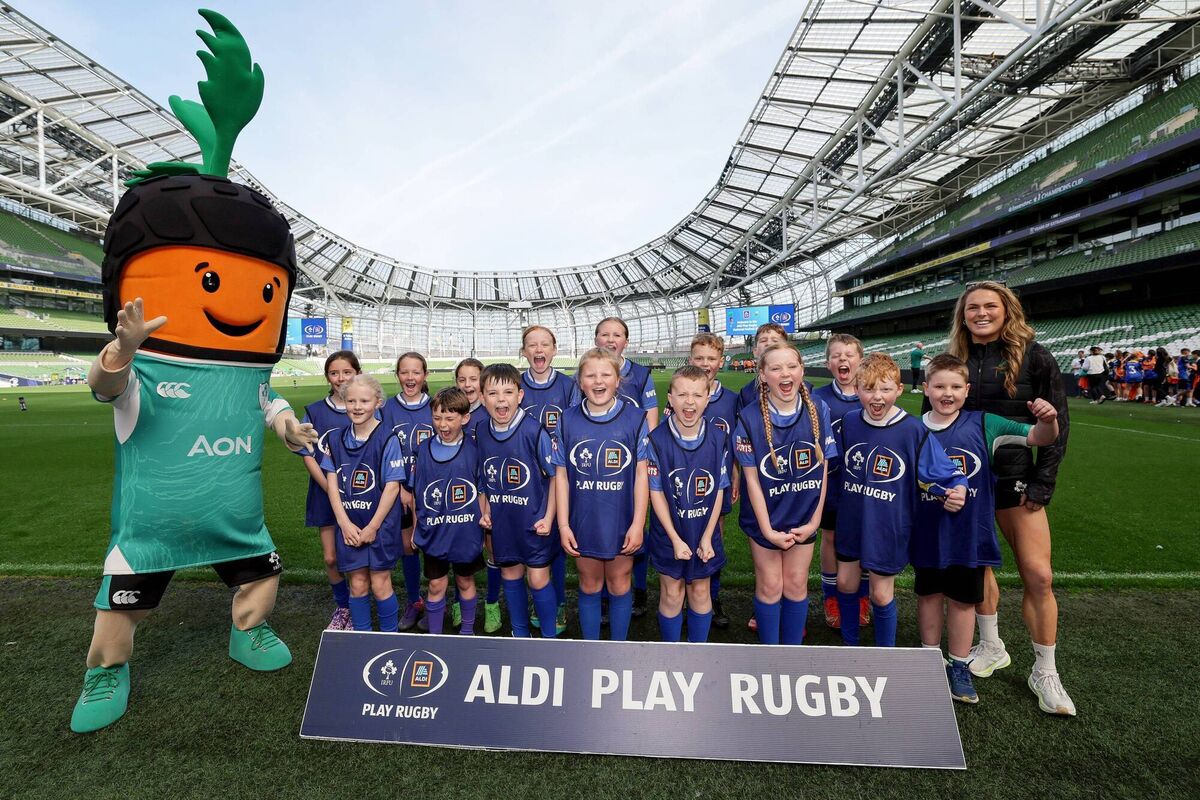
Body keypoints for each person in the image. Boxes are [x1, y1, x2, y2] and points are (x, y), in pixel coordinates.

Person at [943, 280, 1075, 716]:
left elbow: (1059, 423)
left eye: (990, 306)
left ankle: (1045, 670)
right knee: (977, 568)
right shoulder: (955, 359)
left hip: (1017, 482)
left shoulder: (1035, 356)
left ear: (1007, 310)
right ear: (963, 314)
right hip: (967, 484)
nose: (981, 313)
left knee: (1038, 575)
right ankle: (991, 643)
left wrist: (1043, 482)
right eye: (973, 307)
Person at [916, 354, 1059, 704]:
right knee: (929, 596)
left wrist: (1049, 421)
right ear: (925, 389)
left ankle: (959, 665)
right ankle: (926, 658)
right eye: (939, 386)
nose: (946, 393)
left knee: (964, 601)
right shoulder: (912, 428)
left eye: (954, 387)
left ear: (966, 390)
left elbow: (1039, 438)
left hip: (969, 535)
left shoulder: (986, 424)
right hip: (928, 534)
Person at [836, 353, 967, 648]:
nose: (877, 397)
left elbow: (944, 471)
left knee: (880, 594)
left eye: (884, 389)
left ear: (899, 389)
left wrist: (957, 486)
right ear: (857, 390)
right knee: (845, 583)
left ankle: (886, 655)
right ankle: (848, 645)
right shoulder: (848, 422)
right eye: (868, 389)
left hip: (888, 525)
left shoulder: (912, 430)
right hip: (852, 520)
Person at [734, 344, 835, 645]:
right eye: (775, 368)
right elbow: (752, 481)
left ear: (802, 371)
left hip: (803, 516)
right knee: (770, 585)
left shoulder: (819, 409)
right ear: (763, 375)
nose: (784, 373)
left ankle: (791, 654)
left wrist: (815, 521)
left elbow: (823, 470)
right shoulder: (748, 417)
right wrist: (766, 530)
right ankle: (770, 655)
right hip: (766, 517)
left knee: (795, 584)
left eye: (791, 366)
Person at [552, 348, 650, 641]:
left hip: (621, 518)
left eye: (606, 374)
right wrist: (564, 525)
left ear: (618, 380)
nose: (598, 381)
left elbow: (642, 474)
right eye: (590, 375)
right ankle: (590, 650)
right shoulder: (567, 420)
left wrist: (637, 523)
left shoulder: (635, 418)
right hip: (583, 519)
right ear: (580, 382)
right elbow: (561, 476)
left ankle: (617, 650)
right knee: (589, 583)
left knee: (620, 583)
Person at [475, 364, 560, 638]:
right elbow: (484, 478)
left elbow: (555, 478)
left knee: (537, 579)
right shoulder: (481, 431)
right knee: (510, 576)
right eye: (493, 393)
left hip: (534, 521)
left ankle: (548, 636)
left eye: (508, 392)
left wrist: (548, 517)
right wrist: (485, 511)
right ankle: (520, 634)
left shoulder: (535, 431)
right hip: (503, 522)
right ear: (481, 397)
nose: (501, 399)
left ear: (520, 395)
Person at [648, 366, 729, 643]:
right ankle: (671, 655)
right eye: (682, 394)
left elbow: (718, 489)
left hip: (703, 530)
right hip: (669, 532)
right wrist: (674, 538)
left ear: (708, 398)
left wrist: (708, 536)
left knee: (700, 591)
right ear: (669, 398)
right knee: (672, 592)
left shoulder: (718, 438)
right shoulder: (656, 440)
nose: (689, 401)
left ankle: (698, 655)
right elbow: (656, 492)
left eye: (697, 394)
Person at [321, 375, 406, 633]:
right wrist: (344, 523)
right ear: (343, 402)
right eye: (351, 401)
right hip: (350, 525)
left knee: (380, 583)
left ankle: (389, 639)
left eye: (364, 401)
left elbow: (392, 487)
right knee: (357, 583)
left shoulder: (388, 439)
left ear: (378, 402)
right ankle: (361, 638)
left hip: (379, 524)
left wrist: (373, 527)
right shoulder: (335, 440)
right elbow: (332, 486)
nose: (357, 407)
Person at [671, 332, 739, 628]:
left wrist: (735, 473)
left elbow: (737, 441)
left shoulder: (731, 400)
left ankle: (712, 595)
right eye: (699, 358)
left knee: (713, 539)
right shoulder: (682, 397)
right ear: (690, 360)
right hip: (682, 487)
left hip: (716, 486)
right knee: (683, 537)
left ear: (720, 362)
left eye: (711, 359)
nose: (705, 364)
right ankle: (686, 598)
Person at [408, 387, 489, 635]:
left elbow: (482, 491)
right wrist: (415, 528)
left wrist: (484, 523)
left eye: (450, 418)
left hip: (466, 531)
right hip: (434, 531)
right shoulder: (423, 450)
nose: (442, 424)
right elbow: (416, 494)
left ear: (465, 418)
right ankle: (435, 636)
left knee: (465, 581)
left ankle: (466, 631)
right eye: (437, 417)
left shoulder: (475, 450)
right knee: (435, 584)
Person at [518, 324, 579, 633]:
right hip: (525, 480)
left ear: (554, 350)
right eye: (532, 345)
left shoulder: (569, 386)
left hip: (560, 476)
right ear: (524, 351)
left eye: (544, 344)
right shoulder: (514, 386)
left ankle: (556, 603)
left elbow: (575, 428)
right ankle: (538, 597)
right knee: (533, 537)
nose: (538, 350)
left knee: (556, 538)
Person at [594, 316, 657, 618]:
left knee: (636, 529)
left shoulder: (641, 375)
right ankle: (606, 594)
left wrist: (644, 459)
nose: (610, 339)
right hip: (600, 470)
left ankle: (639, 590)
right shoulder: (590, 373)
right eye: (604, 334)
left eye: (616, 334)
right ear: (596, 340)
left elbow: (651, 420)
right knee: (603, 530)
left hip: (633, 468)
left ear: (626, 341)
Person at [734, 321, 792, 634]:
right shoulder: (745, 393)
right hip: (760, 479)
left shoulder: (800, 390)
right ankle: (766, 606)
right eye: (763, 340)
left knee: (793, 558)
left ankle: (788, 607)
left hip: (793, 483)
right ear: (756, 351)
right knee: (763, 552)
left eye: (775, 339)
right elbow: (741, 441)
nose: (768, 343)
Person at [297, 350, 361, 630]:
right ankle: (343, 606)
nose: (341, 378)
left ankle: (362, 603)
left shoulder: (365, 407)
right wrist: (331, 490)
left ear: (357, 373)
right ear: (327, 376)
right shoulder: (314, 411)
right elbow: (308, 454)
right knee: (331, 556)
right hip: (325, 493)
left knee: (361, 555)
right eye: (334, 373)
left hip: (362, 494)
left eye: (347, 372)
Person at [813, 333, 870, 631]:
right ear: (827, 363)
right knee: (831, 538)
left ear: (860, 360)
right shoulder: (817, 398)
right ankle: (831, 595)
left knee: (864, 539)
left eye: (849, 354)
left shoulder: (872, 395)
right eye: (836, 355)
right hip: (832, 485)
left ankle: (862, 594)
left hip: (866, 486)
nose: (843, 360)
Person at [382, 352, 435, 630]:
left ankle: (438, 603)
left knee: (436, 549)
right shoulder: (387, 408)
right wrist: (402, 487)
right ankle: (415, 601)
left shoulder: (436, 405)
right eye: (405, 372)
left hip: (434, 491)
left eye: (416, 372)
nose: (410, 378)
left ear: (425, 375)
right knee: (408, 546)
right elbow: (382, 450)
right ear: (398, 375)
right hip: (400, 491)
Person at [454, 357, 502, 632]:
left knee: (493, 549)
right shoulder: (450, 410)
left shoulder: (491, 413)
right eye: (462, 379)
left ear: (482, 383)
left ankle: (492, 603)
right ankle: (461, 599)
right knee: (458, 549)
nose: (468, 384)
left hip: (488, 493)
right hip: (458, 496)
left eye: (473, 378)